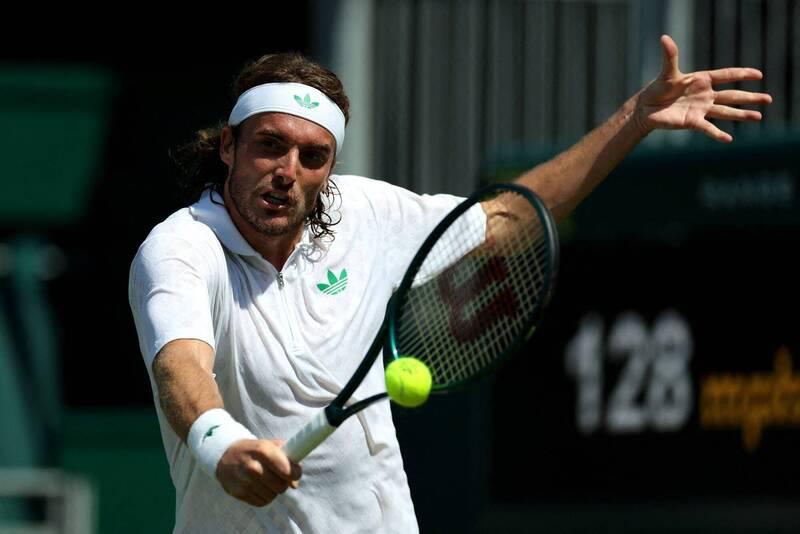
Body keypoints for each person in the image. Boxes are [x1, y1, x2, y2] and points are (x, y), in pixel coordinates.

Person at [128, 35, 771, 533]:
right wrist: (223, 445)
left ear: (330, 167)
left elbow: (508, 220)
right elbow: (181, 366)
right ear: (228, 146)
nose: (287, 171)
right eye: (270, 145)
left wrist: (634, 118)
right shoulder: (182, 247)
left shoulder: (365, 214)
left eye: (312, 156)